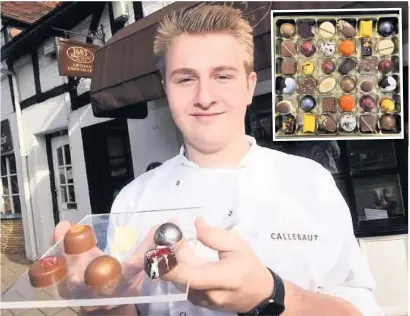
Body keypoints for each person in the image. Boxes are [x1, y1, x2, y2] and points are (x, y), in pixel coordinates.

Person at [53, 4, 384, 316]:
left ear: (249, 85)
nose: (205, 97)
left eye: (222, 76)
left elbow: (358, 308)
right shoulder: (133, 199)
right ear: (166, 88)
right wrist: (102, 301)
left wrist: (273, 295)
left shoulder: (310, 182)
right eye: (185, 78)